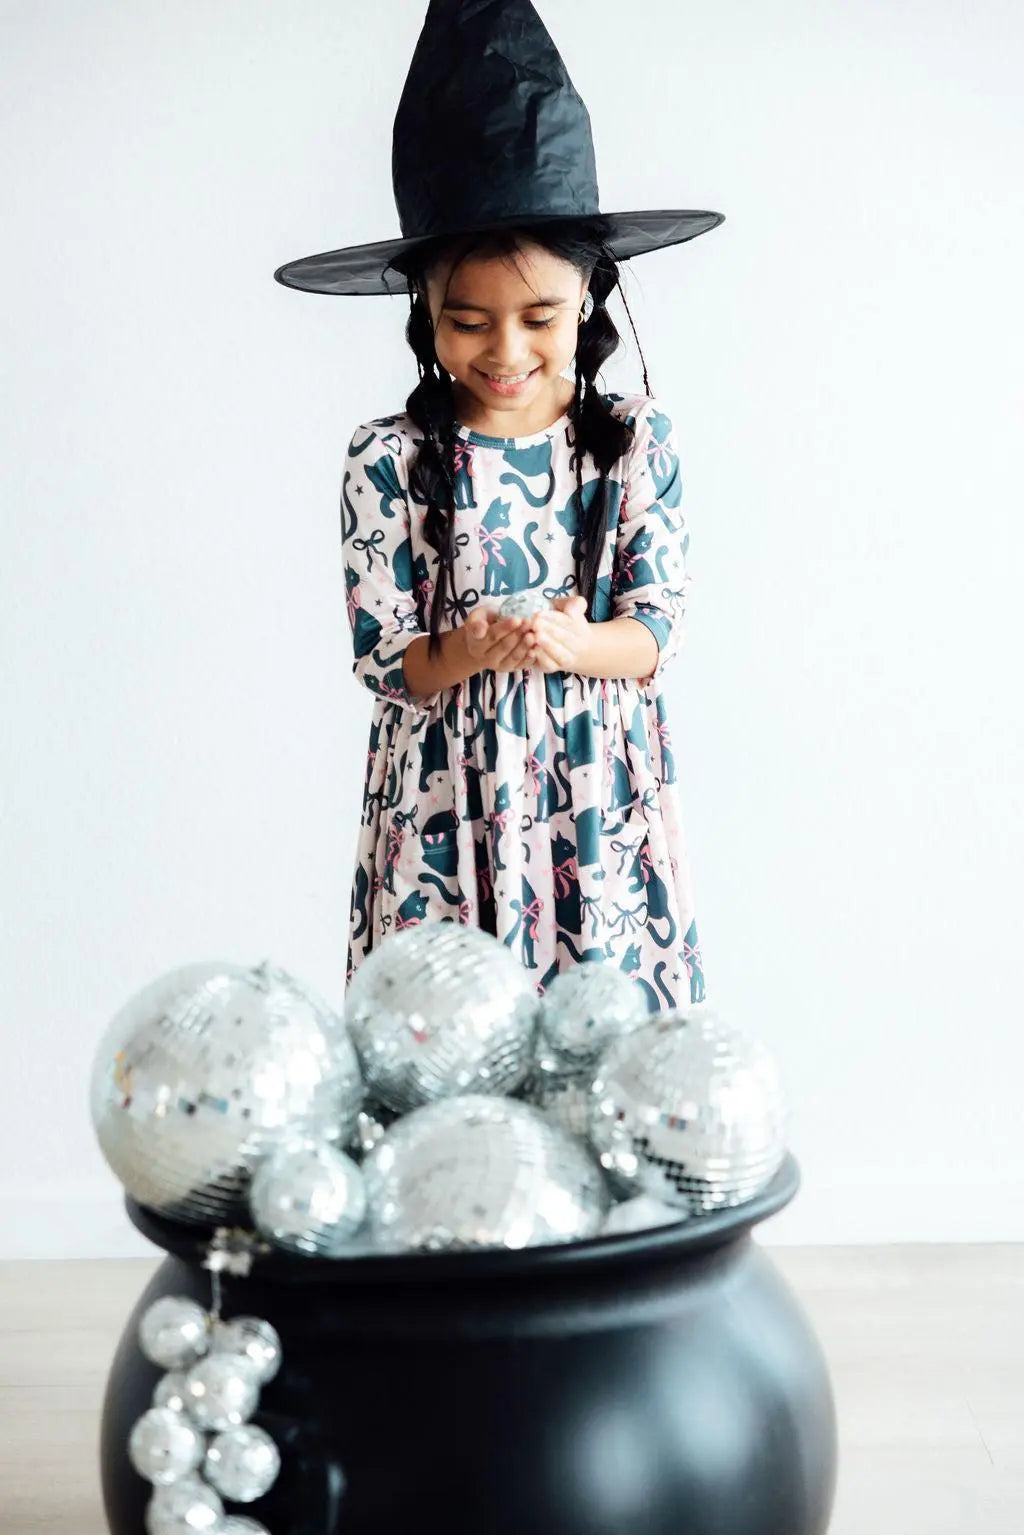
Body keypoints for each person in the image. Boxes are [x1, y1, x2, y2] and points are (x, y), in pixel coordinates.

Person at [273, 0, 724, 1009]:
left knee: (596, 1038)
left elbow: (657, 626)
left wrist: (572, 643)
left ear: (590, 299)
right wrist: (474, 646)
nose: (507, 352)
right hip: (447, 799)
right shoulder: (390, 459)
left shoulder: (632, 441)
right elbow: (387, 655)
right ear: (424, 314)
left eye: (540, 317)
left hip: (593, 805)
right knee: (449, 1039)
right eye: (468, 321)